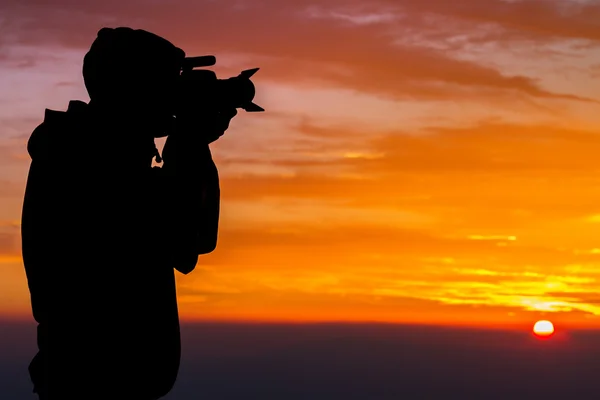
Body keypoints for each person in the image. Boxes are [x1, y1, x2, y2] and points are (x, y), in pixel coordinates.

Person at [21, 27, 237, 399]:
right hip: (95, 385)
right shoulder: (86, 162)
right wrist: (190, 143)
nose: (172, 97)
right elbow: (183, 240)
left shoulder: (93, 152)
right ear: (133, 88)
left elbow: (191, 238)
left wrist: (191, 144)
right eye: (165, 84)